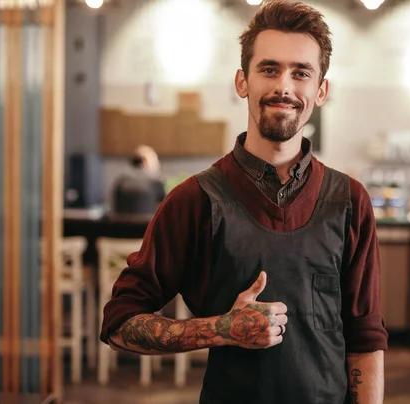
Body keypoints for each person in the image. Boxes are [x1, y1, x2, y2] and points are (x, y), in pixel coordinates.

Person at [100, 2, 387, 403]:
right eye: (269, 69)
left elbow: (366, 337)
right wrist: (220, 328)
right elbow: (119, 322)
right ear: (242, 81)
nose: (284, 86)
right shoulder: (195, 200)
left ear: (321, 90)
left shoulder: (350, 200)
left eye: (301, 72)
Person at [112, 145, 166, 216]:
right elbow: (163, 211)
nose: (158, 164)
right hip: (146, 225)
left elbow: (115, 209)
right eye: (155, 160)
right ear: (145, 161)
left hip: (120, 226)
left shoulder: (120, 181)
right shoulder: (156, 181)